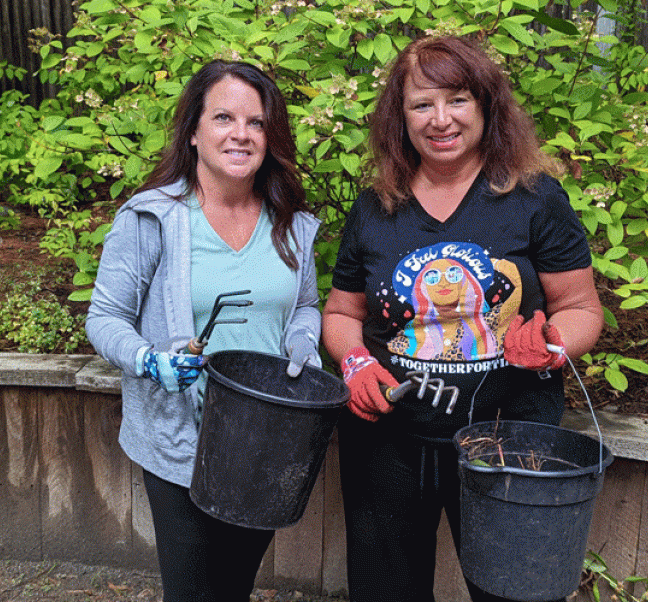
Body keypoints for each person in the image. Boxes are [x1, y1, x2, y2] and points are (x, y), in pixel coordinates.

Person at [322, 36, 603, 602]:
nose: (440, 119)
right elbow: (341, 311)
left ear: (486, 106)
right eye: (422, 104)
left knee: (513, 592)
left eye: (457, 99)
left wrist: (552, 343)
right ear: (400, 117)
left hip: (506, 439)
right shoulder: (376, 206)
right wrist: (354, 362)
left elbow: (582, 308)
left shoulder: (534, 197)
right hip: (387, 440)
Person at [86, 60, 321, 602]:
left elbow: (305, 306)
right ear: (193, 132)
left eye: (256, 122)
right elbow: (104, 317)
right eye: (223, 118)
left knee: (234, 587)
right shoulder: (150, 219)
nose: (241, 134)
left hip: (266, 439)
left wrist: (302, 342)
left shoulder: (292, 223)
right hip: (181, 443)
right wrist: (149, 361)